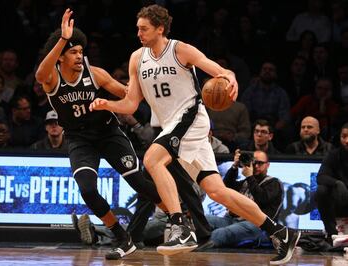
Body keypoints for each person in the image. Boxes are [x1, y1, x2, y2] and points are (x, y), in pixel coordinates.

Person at [90, 4, 300, 264]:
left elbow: (217, 69)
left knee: (152, 160)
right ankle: (279, 232)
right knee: (216, 191)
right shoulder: (137, 58)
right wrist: (107, 104)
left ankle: (181, 227)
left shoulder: (180, 50)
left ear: (160, 28)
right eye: (137, 29)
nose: (139, 33)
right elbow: (131, 104)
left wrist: (229, 76)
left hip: (191, 117)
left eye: (144, 28)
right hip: (173, 126)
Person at [35, 8, 166, 260]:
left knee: (137, 181)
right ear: (60, 56)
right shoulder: (52, 78)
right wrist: (63, 39)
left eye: (80, 51)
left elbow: (129, 96)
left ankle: (178, 219)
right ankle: (122, 237)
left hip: (108, 132)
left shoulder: (94, 73)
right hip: (79, 138)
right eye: (73, 52)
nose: (79, 55)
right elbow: (40, 74)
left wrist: (137, 89)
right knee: (87, 189)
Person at [204, 150, 283, 248]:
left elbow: (262, 199)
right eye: (253, 162)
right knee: (203, 219)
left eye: (260, 163)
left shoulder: (274, 183)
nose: (256, 166)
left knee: (221, 233)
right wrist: (235, 166)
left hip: (257, 225)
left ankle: (196, 253)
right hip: (232, 220)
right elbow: (225, 187)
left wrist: (250, 177)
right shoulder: (245, 182)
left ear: (268, 165)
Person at [315, 122, 348, 244]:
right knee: (321, 190)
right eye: (343, 136)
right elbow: (320, 177)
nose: (347, 140)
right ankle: (331, 233)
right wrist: (337, 183)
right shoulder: (333, 154)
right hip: (340, 201)